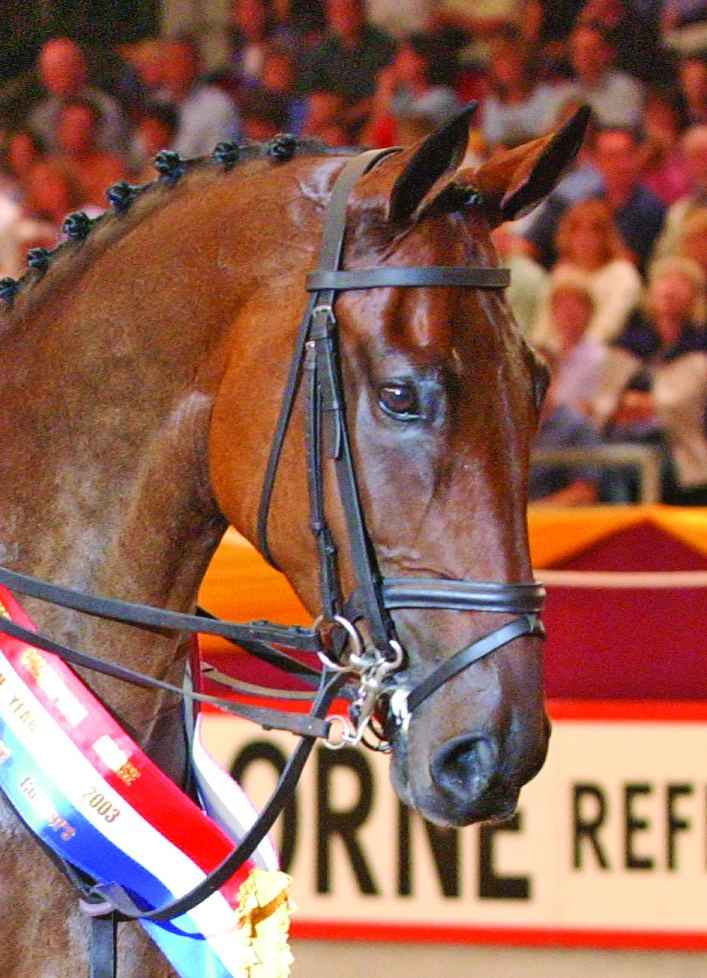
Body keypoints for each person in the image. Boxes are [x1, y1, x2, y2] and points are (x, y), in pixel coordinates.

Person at [591, 256, 707, 504]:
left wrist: (654, 406)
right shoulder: (627, 343)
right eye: (665, 280)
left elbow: (694, 410)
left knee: (640, 466)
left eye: (681, 282)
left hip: (678, 448)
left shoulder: (700, 347)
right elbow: (603, 399)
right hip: (622, 438)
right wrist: (621, 407)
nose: (671, 288)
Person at [533, 199, 643, 345]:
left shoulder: (622, 275)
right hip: (556, 354)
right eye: (576, 230)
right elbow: (544, 325)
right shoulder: (562, 273)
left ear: (607, 236)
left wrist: (576, 353)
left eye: (594, 231)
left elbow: (609, 326)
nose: (584, 238)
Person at [297, 0, 396, 139]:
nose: (344, 16)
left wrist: (347, 114)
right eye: (337, 11)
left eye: (348, 10)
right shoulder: (323, 50)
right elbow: (317, 98)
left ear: (361, 10)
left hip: (373, 116)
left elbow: (384, 96)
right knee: (328, 134)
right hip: (337, 119)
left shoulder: (384, 46)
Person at [27, 37, 128, 155]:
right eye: (49, 70)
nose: (53, 76)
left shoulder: (106, 108)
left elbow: (113, 151)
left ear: (80, 68)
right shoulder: (38, 117)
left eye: (61, 67)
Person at [365, 31, 461, 147]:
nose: (396, 62)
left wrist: (384, 90)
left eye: (404, 56)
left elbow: (410, 134)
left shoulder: (442, 98)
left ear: (422, 62)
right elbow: (371, 140)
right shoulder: (405, 96)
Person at [538, 269, 611, 412]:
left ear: (590, 312)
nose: (569, 313)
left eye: (578, 307)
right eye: (563, 306)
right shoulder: (542, 356)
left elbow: (600, 405)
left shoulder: (601, 357)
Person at [550, 23, 645, 130]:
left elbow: (622, 135)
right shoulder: (562, 93)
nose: (587, 57)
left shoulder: (626, 88)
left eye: (593, 49)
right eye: (579, 51)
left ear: (607, 52)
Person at [158, 36, 240, 159]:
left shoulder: (218, 106)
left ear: (197, 65)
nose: (176, 68)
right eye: (170, 61)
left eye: (182, 61)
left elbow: (219, 160)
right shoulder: (158, 102)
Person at [479, 34, 556, 149]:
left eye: (510, 62)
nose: (505, 69)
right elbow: (491, 141)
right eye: (499, 63)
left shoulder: (545, 95)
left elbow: (548, 136)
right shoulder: (492, 102)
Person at [54, 98, 127, 209]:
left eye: (83, 126)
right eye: (70, 125)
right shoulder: (50, 170)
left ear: (95, 131)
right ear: (59, 129)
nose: (77, 132)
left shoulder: (111, 168)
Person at [653, 124, 707, 259]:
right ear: (687, 164)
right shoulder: (678, 213)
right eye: (698, 157)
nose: (704, 165)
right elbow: (664, 259)